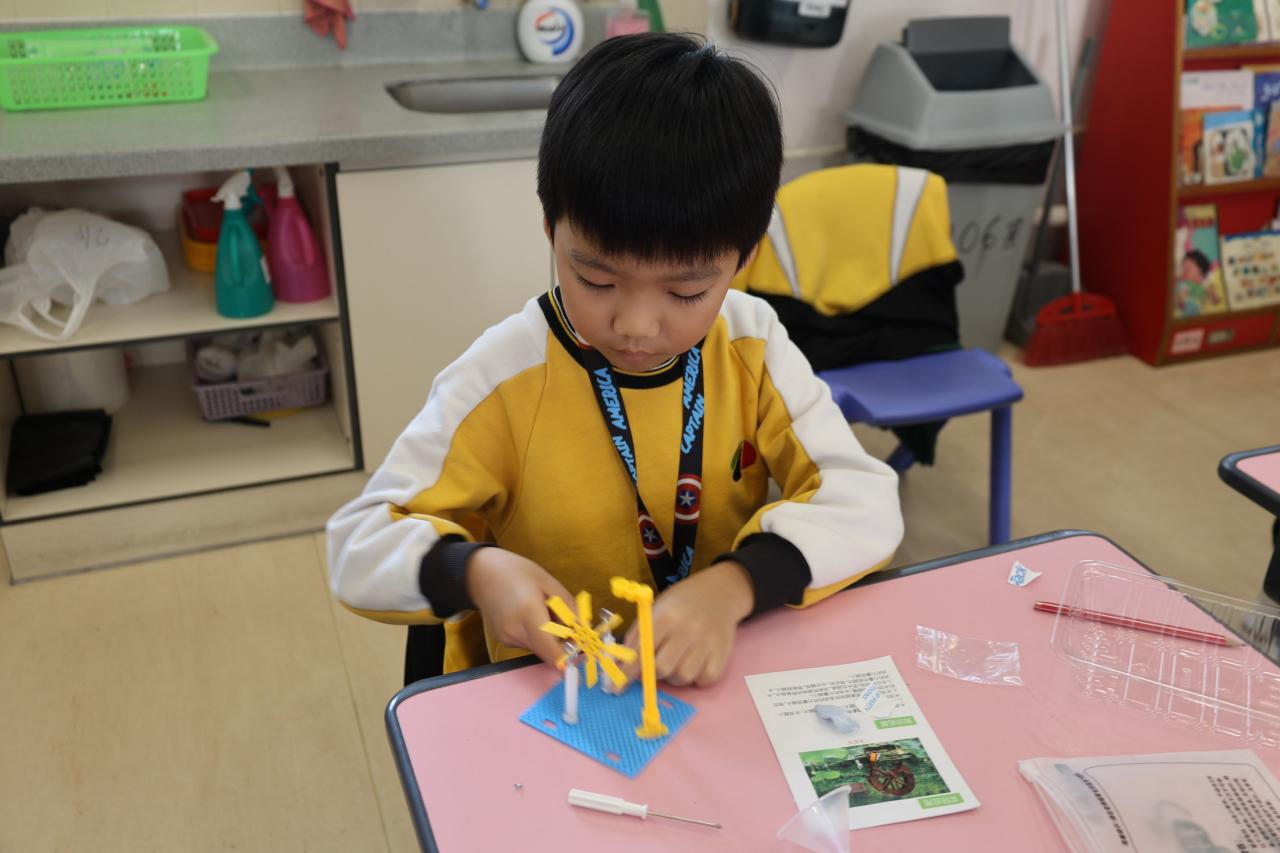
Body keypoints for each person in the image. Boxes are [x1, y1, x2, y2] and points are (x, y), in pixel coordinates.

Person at [326, 33, 903, 688]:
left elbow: (864, 499)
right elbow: (358, 543)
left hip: (701, 676)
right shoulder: (502, 376)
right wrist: (477, 571)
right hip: (546, 692)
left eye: (685, 292)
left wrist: (736, 585)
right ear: (551, 228)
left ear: (744, 258)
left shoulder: (752, 344)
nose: (635, 325)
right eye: (596, 279)